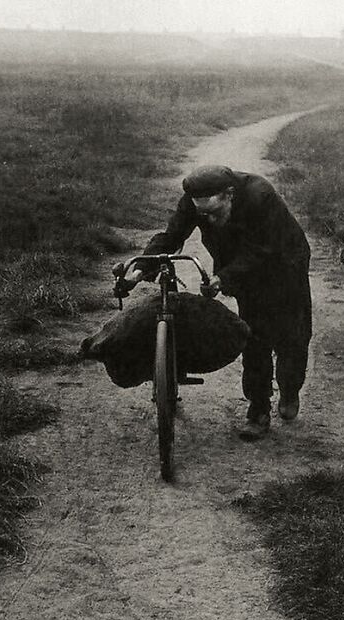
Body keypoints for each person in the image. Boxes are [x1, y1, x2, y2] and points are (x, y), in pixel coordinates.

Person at [125, 164, 312, 441]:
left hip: (284, 263)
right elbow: (172, 237)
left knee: (292, 337)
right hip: (241, 265)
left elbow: (263, 251)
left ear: (230, 195)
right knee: (255, 336)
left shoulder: (261, 197)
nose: (209, 220)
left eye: (214, 213)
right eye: (203, 215)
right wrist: (142, 266)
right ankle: (258, 409)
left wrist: (222, 278)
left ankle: (290, 387)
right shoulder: (195, 202)